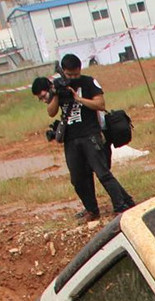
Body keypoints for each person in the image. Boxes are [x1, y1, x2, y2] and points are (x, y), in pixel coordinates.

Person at [32, 54, 136, 222]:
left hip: (90, 134)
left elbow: (100, 105)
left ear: (80, 69)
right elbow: (51, 112)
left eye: (75, 74)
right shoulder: (58, 85)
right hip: (71, 139)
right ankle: (91, 210)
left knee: (103, 173)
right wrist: (56, 93)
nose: (72, 78)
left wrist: (78, 98)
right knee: (78, 178)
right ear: (63, 72)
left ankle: (121, 205)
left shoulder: (89, 82)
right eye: (69, 75)